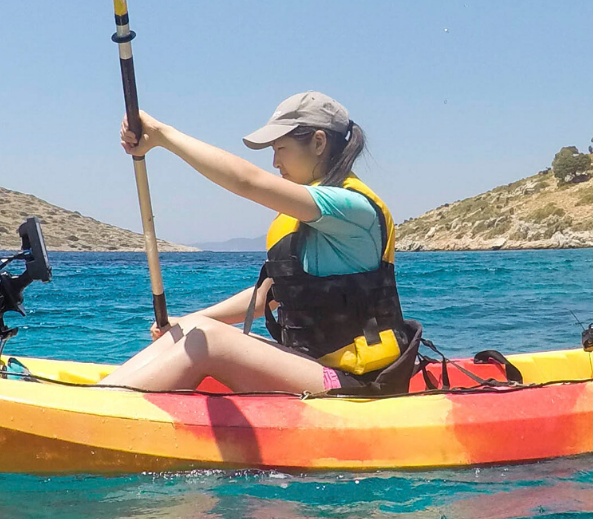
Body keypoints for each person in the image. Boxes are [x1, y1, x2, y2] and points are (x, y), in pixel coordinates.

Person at [101, 92, 413, 394]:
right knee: (194, 330)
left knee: (209, 340)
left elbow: (246, 181)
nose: (275, 162)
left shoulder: (350, 207)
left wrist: (162, 135)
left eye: (281, 149)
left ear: (319, 142)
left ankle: (103, 410)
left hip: (360, 382)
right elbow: (267, 296)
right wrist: (187, 321)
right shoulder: (308, 216)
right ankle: (100, 395)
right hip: (315, 367)